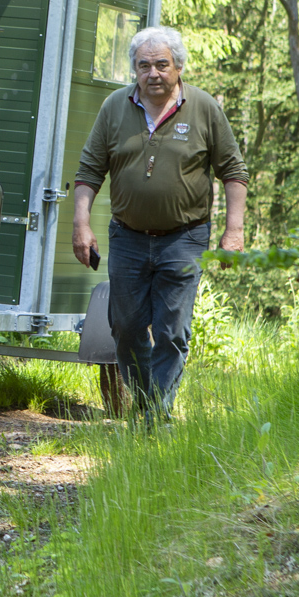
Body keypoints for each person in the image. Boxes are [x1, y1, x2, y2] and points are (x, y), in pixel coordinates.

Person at [70, 26, 246, 421]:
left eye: (162, 65)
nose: (153, 73)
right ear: (134, 68)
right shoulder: (114, 107)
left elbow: (234, 171)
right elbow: (89, 170)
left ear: (178, 67)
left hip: (184, 238)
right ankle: (147, 405)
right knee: (126, 327)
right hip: (127, 237)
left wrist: (233, 231)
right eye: (144, 65)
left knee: (172, 331)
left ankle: (155, 416)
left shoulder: (203, 108)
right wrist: (81, 225)